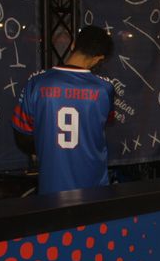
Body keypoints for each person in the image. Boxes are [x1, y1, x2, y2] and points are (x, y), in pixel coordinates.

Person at [12, 26, 114, 194]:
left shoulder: (37, 83)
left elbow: (22, 134)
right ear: (99, 58)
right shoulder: (105, 89)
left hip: (51, 183)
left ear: (73, 45)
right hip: (93, 183)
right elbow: (105, 121)